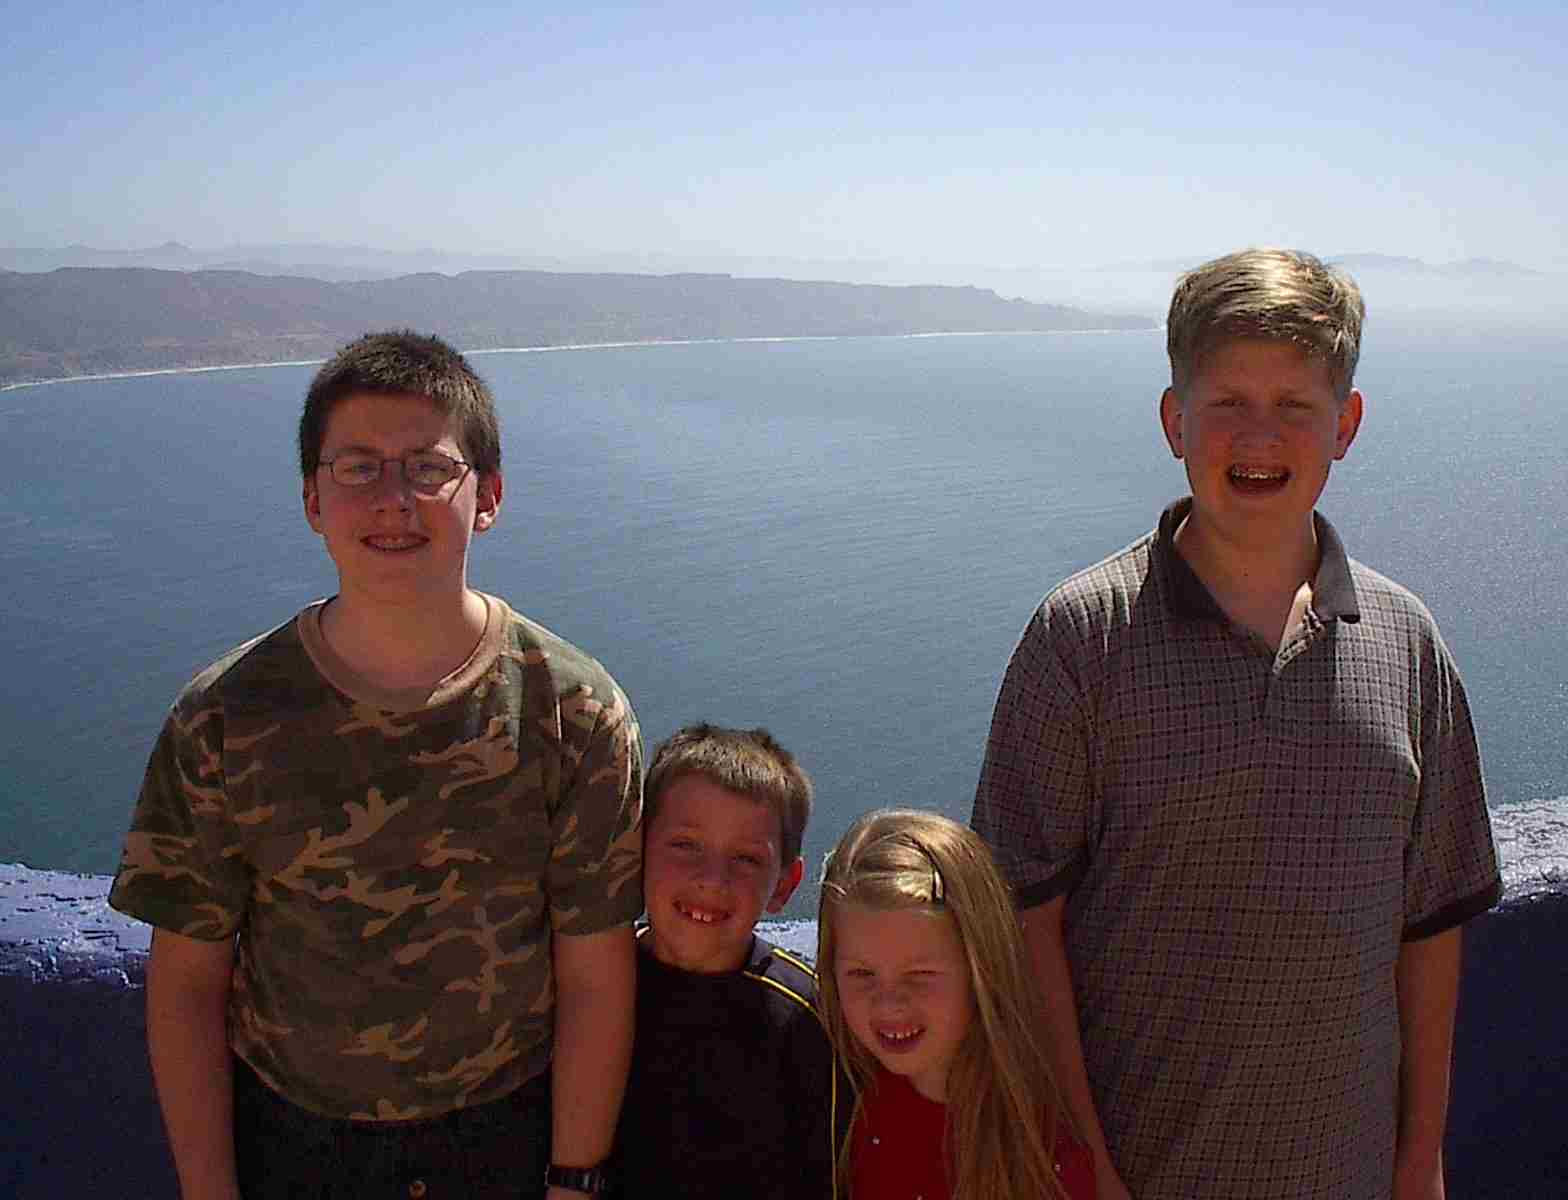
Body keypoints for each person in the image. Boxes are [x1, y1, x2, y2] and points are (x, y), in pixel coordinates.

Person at [972, 248, 1503, 1199]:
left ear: (1345, 426)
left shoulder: (1407, 644)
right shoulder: (1082, 638)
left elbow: (1430, 929)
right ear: (1176, 420)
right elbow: (1021, 924)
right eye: (1227, 403)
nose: (1259, 436)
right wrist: (1083, 1165)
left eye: (1296, 406)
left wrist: (1418, 1165)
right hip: (1133, 1177)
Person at [109, 330, 644, 1200]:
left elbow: (594, 970)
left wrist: (574, 1180)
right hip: (292, 1144)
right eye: (358, 469)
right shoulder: (223, 716)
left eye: (428, 469)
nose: (393, 500)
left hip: (503, 1140)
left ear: (488, 495)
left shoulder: (573, 712)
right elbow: (187, 980)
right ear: (313, 500)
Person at [817, 808, 1096, 1200]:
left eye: (920, 975)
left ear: (982, 967)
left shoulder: (1039, 1147)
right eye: (862, 974)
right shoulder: (833, 1091)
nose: (890, 1003)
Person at [613, 723, 841, 1199]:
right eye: (685, 846)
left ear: (784, 884)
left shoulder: (811, 1020)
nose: (711, 879)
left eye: (745, 859)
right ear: (636, 849)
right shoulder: (591, 986)